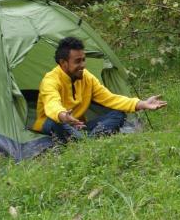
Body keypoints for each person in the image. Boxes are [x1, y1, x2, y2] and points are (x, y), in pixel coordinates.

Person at [32, 36, 166, 141]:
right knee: (57, 123)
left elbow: (110, 98)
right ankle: (87, 140)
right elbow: (51, 103)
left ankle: (86, 140)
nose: (83, 65)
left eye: (84, 60)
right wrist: (62, 115)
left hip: (78, 126)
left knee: (118, 114)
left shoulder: (86, 77)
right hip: (53, 122)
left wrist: (142, 103)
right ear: (63, 63)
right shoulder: (50, 80)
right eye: (77, 61)